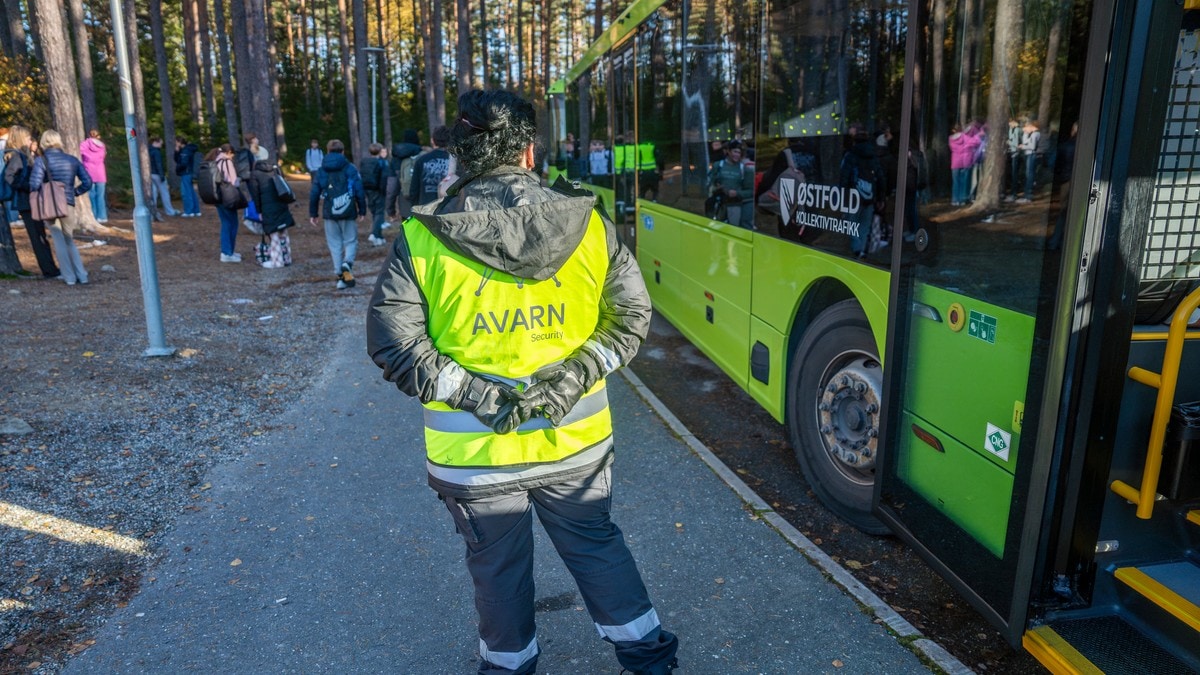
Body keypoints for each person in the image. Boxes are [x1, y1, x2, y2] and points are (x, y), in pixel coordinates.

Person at [366, 88, 680, 675]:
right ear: (530, 153)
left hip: (475, 455)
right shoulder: (589, 223)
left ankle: (509, 667)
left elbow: (394, 344)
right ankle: (650, 659)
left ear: (458, 155)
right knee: (596, 545)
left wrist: (477, 395)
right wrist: (575, 376)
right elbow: (632, 318)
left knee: (498, 572)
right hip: (575, 443)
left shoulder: (422, 238)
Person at [29, 129, 92, 285]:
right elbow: (88, 182)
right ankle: (82, 275)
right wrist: (74, 192)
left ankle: (69, 277)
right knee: (69, 239)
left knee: (58, 240)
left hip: (50, 205)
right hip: (68, 203)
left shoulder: (41, 161)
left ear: (44, 142)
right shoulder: (72, 160)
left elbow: (34, 184)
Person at [309, 138, 365, 289]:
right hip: (348, 210)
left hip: (330, 211)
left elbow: (314, 192)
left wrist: (313, 213)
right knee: (351, 241)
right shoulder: (350, 168)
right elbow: (359, 189)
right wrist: (362, 209)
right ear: (343, 151)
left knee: (334, 245)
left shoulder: (322, 169)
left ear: (327, 151)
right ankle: (348, 263)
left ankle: (341, 277)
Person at [3, 125, 59, 278]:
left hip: (30, 201)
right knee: (38, 238)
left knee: (40, 236)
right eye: (28, 138)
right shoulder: (17, 157)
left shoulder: (22, 156)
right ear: (21, 139)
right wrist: (30, 186)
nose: (30, 141)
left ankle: (50, 268)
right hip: (27, 202)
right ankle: (49, 270)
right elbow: (10, 178)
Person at [841, 122, 886, 257]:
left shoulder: (850, 155)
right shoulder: (873, 156)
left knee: (852, 223)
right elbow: (881, 178)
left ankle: (856, 249)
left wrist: (842, 196)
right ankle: (861, 249)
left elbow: (844, 176)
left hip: (853, 197)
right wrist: (881, 198)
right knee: (865, 225)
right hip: (869, 196)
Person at [245, 156, 296, 268]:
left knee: (273, 234)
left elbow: (255, 195)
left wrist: (259, 211)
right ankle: (287, 258)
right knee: (283, 231)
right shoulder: (275, 169)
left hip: (267, 207)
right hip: (280, 204)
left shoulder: (255, 174)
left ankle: (277, 261)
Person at [707, 140, 755, 229]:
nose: (737, 155)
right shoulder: (718, 165)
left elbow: (751, 192)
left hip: (734, 206)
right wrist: (715, 188)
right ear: (728, 151)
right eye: (735, 151)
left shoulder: (745, 170)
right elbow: (709, 183)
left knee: (733, 231)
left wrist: (737, 193)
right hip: (718, 205)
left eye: (739, 153)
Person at [211, 144, 243, 262]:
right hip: (227, 197)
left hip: (217, 197)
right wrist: (240, 180)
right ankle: (227, 253)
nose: (233, 157)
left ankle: (228, 251)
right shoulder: (227, 162)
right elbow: (233, 181)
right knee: (232, 223)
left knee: (225, 222)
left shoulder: (215, 160)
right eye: (233, 154)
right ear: (229, 152)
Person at [409, 125, 452, 207]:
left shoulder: (422, 160)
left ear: (432, 140)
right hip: (448, 209)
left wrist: (415, 207)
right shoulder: (455, 162)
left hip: (426, 208)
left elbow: (414, 189)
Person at [387, 130, 423, 221]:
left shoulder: (396, 159)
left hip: (405, 201)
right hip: (423, 201)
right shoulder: (423, 155)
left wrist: (390, 210)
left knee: (408, 231)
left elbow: (392, 188)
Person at [358, 142, 388, 246]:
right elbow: (384, 178)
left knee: (375, 213)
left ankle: (379, 237)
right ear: (380, 151)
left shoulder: (364, 162)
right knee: (380, 213)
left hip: (367, 190)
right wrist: (384, 191)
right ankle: (374, 234)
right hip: (378, 190)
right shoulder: (381, 163)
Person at [948, 123, 981, 206]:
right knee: (964, 181)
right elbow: (975, 142)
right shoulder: (963, 136)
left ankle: (955, 200)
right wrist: (976, 136)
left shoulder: (950, 138)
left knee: (955, 182)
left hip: (954, 162)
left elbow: (952, 148)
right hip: (964, 162)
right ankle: (962, 199)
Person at [79, 129, 108, 223]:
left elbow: (81, 154)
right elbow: (102, 157)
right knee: (100, 196)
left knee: (91, 195)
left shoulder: (84, 144)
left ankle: (94, 215)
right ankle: (102, 216)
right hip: (100, 173)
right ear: (98, 136)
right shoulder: (102, 145)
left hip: (89, 172)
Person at [149, 137, 181, 218]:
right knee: (164, 193)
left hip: (150, 174)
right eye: (160, 143)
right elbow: (158, 164)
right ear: (156, 142)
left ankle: (153, 211)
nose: (161, 145)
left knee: (154, 193)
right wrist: (162, 175)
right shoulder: (156, 152)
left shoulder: (148, 150)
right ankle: (169, 211)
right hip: (157, 174)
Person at [175, 136, 202, 217]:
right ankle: (196, 210)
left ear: (180, 142)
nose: (175, 144)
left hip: (186, 173)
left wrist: (178, 169)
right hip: (189, 172)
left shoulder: (185, 151)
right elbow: (177, 159)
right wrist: (176, 152)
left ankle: (189, 211)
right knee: (191, 191)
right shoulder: (188, 150)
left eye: (176, 142)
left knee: (186, 192)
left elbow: (183, 163)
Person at [1018, 119, 1042, 203]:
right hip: (1030, 155)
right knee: (1028, 174)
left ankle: (1028, 196)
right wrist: (1025, 133)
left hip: (1032, 155)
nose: (1025, 129)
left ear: (1031, 126)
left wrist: (1023, 147)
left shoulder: (1035, 134)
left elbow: (1032, 146)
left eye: (1026, 127)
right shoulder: (1032, 134)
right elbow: (1026, 142)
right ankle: (1027, 194)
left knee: (1029, 175)